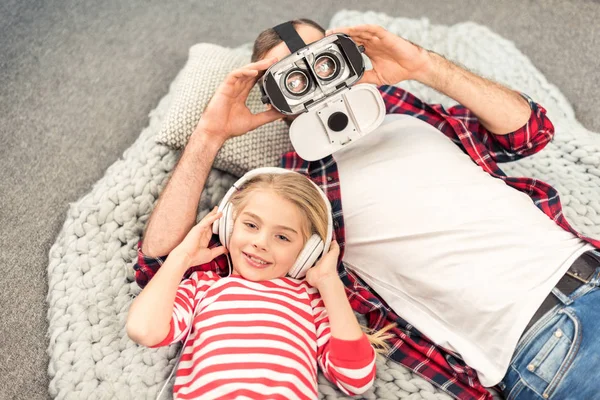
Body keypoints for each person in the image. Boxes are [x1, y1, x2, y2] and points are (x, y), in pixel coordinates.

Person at [134, 18, 600, 400]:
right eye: (291, 77)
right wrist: (211, 133)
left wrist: (423, 66)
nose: (314, 79)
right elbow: (161, 266)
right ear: (271, 92)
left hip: (587, 265)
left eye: (324, 59)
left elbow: (531, 132)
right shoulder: (295, 193)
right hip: (548, 336)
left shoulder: (406, 106)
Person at [127, 170, 386, 399]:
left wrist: (330, 283)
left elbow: (356, 378)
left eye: (282, 237)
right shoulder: (203, 286)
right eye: (251, 225)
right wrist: (181, 258)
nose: (261, 242)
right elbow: (143, 329)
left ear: (307, 253)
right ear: (227, 225)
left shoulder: (310, 300)